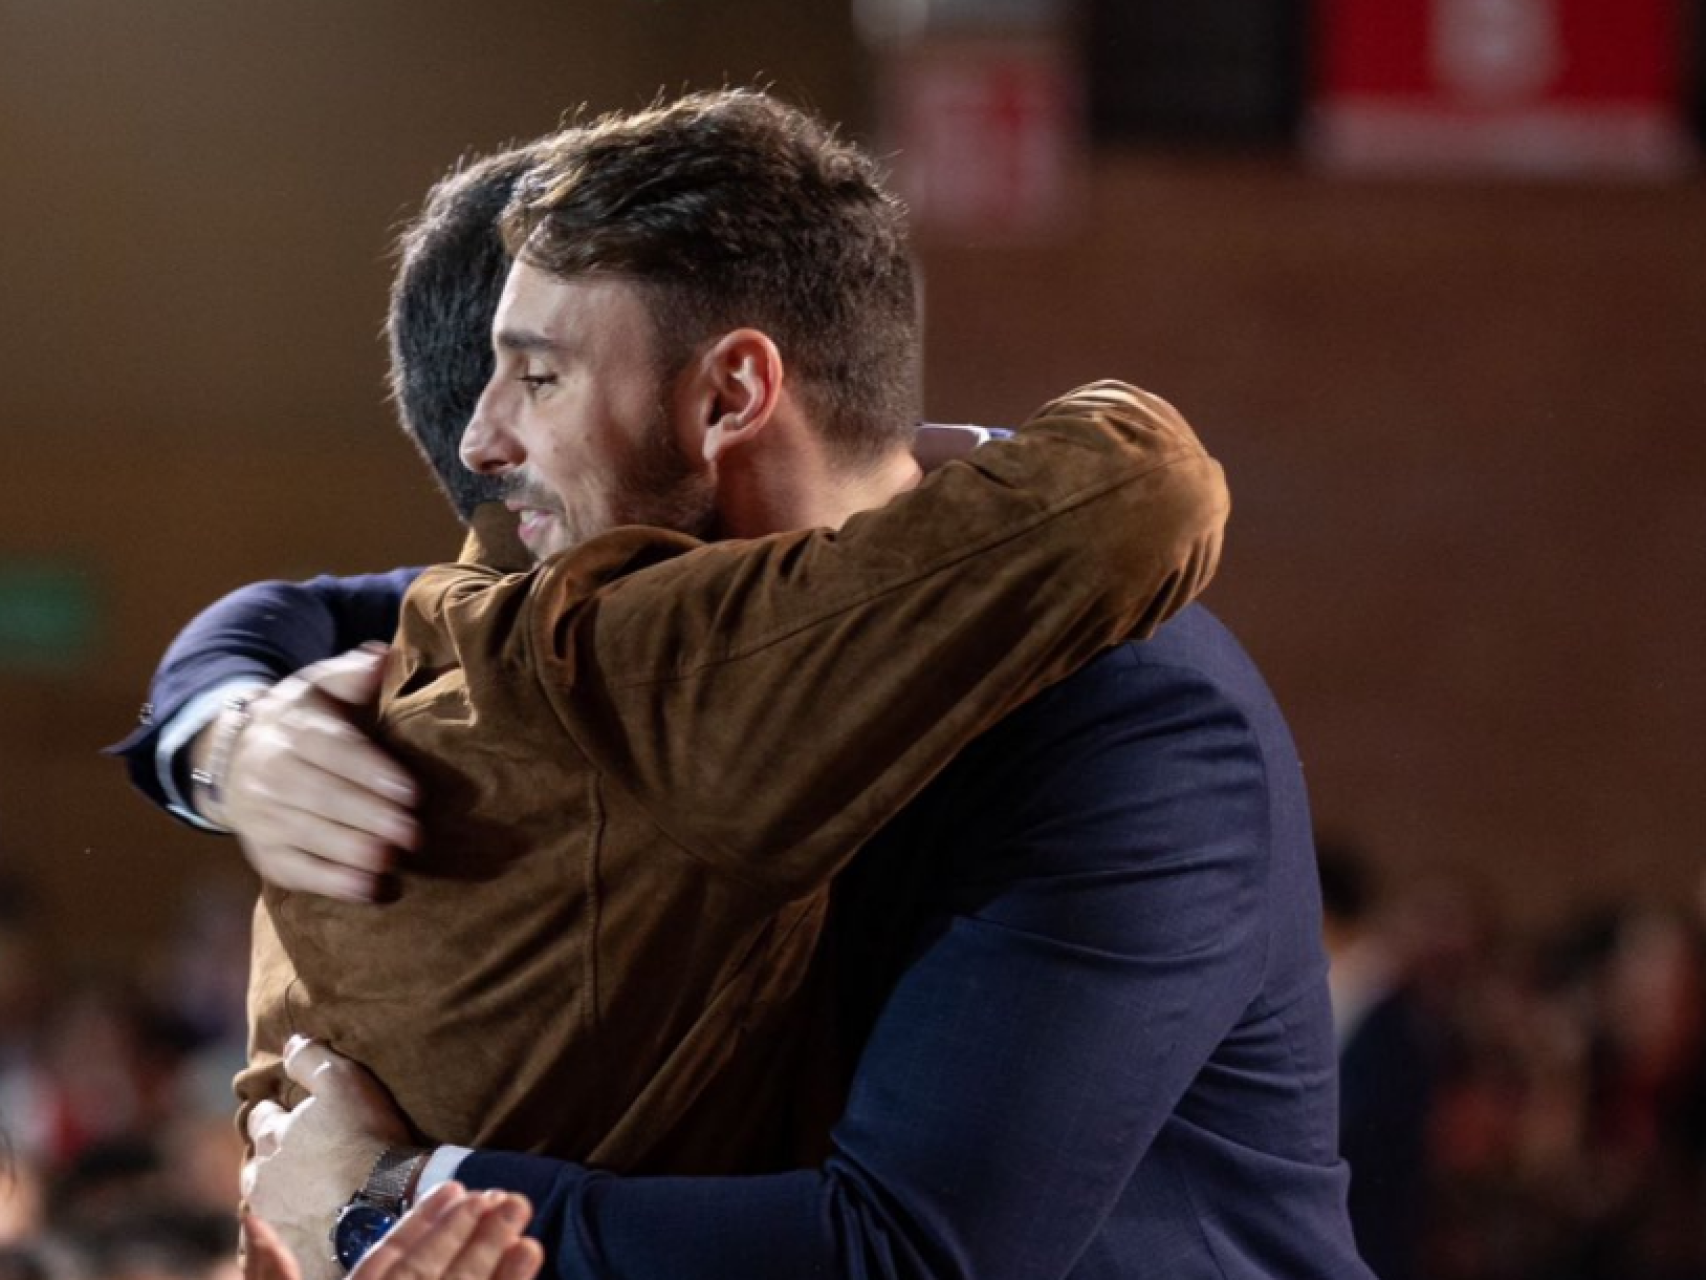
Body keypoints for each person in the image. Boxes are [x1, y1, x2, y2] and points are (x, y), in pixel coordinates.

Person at [118, 90, 1371, 1279]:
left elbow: (900, 1250)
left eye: (537, 376)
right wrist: (230, 741)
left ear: (729, 395)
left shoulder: (1128, 716)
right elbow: (308, 612)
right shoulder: (643, 629)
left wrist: (387, 1192)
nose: (480, 438)